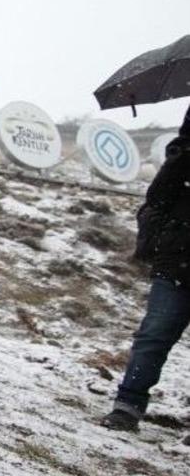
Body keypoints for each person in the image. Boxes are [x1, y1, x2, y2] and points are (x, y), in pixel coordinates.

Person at [101, 104, 190, 432]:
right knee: (154, 335)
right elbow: (157, 199)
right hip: (179, 262)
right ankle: (128, 405)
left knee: (154, 335)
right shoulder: (183, 157)